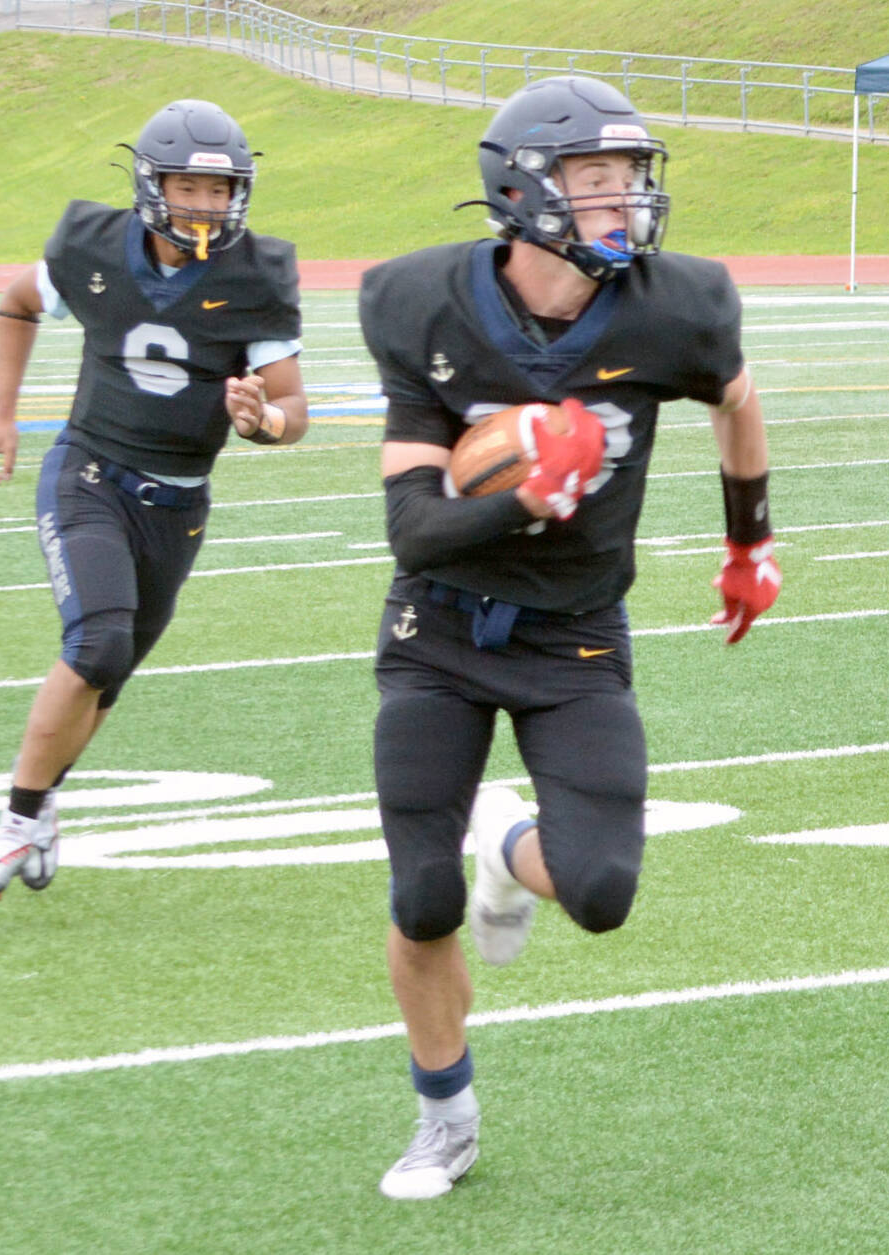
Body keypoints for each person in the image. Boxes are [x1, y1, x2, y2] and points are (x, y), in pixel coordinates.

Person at [359, 76, 779, 1200]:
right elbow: (412, 527)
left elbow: (735, 399)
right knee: (417, 900)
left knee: (598, 891)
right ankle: (443, 1115)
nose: (626, 203)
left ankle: (505, 846)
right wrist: (521, 495)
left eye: (633, 178)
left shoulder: (670, 306)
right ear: (522, 191)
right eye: (597, 181)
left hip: (575, 638)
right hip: (436, 631)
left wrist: (749, 543)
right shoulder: (426, 306)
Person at [0, 99, 306, 898]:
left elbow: (295, 413)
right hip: (90, 471)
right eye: (191, 187)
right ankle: (15, 822)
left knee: (108, 679)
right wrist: (2, 414)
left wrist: (264, 419)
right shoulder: (93, 246)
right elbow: (18, 302)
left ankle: (41, 806)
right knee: (97, 644)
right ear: (152, 184)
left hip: (179, 503)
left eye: (222, 191)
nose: (208, 206)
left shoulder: (254, 274)